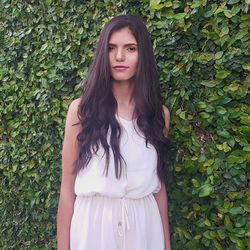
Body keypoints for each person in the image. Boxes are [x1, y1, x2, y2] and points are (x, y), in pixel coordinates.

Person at [57, 15, 172, 250]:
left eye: (130, 48)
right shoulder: (81, 112)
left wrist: (166, 245)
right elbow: (67, 188)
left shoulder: (158, 115)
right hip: (92, 229)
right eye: (111, 48)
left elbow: (159, 189)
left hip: (144, 228)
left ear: (143, 55)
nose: (119, 57)